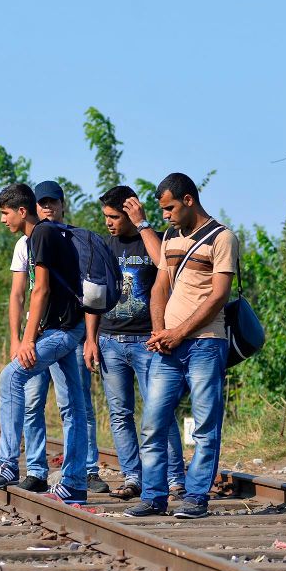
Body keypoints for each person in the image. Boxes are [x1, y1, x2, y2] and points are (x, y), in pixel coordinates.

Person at [124, 173, 239, 520]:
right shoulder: (172, 237)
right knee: (153, 422)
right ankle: (154, 495)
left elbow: (220, 295)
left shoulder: (223, 238)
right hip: (167, 346)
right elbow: (160, 286)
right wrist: (160, 331)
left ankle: (196, 496)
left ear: (188, 200)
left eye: (170, 208)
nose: (166, 216)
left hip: (206, 343)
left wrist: (181, 331)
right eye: (162, 210)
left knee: (205, 424)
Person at [0, 183, 89, 504]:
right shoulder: (44, 236)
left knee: (11, 376)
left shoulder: (40, 235)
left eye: (5, 213)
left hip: (60, 330)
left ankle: (8, 463)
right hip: (65, 327)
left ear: (21, 211)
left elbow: (39, 290)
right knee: (73, 407)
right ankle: (75, 481)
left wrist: (27, 340)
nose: (3, 220)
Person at [84, 186, 186, 501]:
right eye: (106, 217)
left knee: (160, 411)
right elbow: (94, 297)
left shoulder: (156, 237)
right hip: (110, 341)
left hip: (148, 341)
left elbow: (164, 265)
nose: (109, 223)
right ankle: (133, 478)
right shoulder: (103, 246)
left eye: (115, 216)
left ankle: (174, 479)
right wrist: (91, 339)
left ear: (130, 212)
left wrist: (142, 225)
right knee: (119, 413)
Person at [6, 180, 107, 494]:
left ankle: (85, 471)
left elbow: (89, 293)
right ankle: (37, 470)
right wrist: (18, 337)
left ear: (63, 205)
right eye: (42, 202)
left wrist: (90, 337)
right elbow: (20, 293)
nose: (47, 207)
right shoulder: (26, 242)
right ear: (32, 207)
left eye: (52, 202)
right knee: (33, 402)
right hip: (37, 332)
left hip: (64, 330)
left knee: (74, 404)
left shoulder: (71, 239)